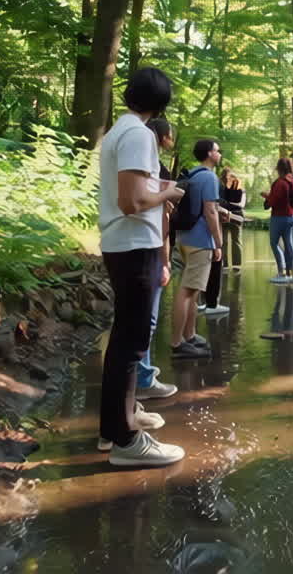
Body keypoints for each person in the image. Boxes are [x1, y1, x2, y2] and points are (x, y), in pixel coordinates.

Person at [96, 67, 185, 467]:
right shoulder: (138, 135)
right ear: (162, 104)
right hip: (135, 244)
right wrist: (168, 191)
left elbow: (130, 191)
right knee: (131, 343)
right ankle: (126, 440)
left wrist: (159, 191)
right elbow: (131, 201)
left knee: (126, 338)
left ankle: (119, 421)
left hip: (125, 244)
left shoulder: (119, 130)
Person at [133, 118, 180, 401]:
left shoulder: (140, 165)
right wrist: (169, 194)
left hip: (142, 244)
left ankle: (144, 371)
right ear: (162, 138)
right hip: (147, 247)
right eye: (170, 135)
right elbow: (154, 211)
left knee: (141, 319)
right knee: (145, 320)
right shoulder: (151, 167)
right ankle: (141, 379)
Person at [171, 139, 224, 359]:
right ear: (210, 154)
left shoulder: (192, 174)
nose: (219, 154)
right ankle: (177, 343)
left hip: (184, 238)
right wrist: (219, 242)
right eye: (217, 150)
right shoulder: (210, 176)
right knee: (187, 292)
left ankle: (190, 335)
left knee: (192, 291)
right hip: (201, 240)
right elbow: (210, 211)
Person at [261, 158, 293, 284]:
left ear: (279, 169)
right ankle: (289, 272)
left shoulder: (279, 183)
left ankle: (282, 271)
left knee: (274, 243)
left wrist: (266, 196)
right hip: (291, 217)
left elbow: (273, 201)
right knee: (289, 244)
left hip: (278, 217)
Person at [220, 168, 246, 271]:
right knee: (233, 240)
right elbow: (241, 204)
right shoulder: (224, 189)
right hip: (233, 214)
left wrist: (227, 204)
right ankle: (234, 265)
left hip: (228, 214)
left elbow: (240, 204)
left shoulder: (222, 189)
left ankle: (227, 265)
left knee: (226, 240)